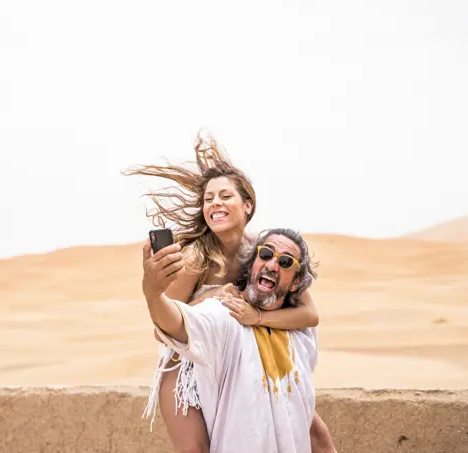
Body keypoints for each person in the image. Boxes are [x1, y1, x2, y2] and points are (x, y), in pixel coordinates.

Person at [123, 132, 336, 453]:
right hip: (188, 367)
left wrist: (258, 316)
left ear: (247, 204)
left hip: (243, 362)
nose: (215, 204)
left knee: (315, 433)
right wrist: (207, 299)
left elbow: (310, 314)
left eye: (225, 196)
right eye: (209, 199)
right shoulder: (196, 259)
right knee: (195, 449)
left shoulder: (265, 254)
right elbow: (162, 330)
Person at [141, 227, 320, 452]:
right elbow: (174, 323)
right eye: (265, 255)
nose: (272, 265)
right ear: (252, 263)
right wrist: (153, 295)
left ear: (296, 283)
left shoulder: (301, 333)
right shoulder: (225, 314)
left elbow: (312, 317)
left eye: (285, 262)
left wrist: (259, 317)